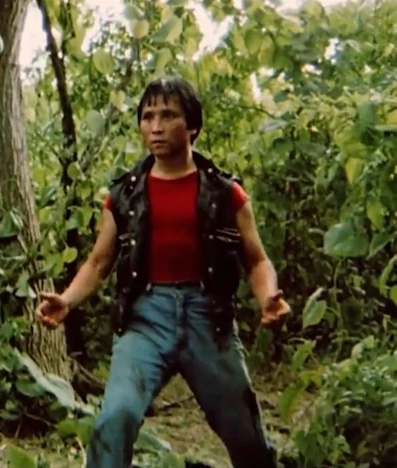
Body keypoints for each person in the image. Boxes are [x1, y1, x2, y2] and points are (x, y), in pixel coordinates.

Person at [35, 76, 291, 468]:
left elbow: (256, 260)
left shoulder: (225, 193)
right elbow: (99, 262)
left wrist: (268, 297)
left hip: (209, 319)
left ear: (192, 126)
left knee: (245, 432)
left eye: (168, 116)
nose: (155, 126)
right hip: (145, 319)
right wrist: (66, 300)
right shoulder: (123, 195)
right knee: (116, 416)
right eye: (148, 116)